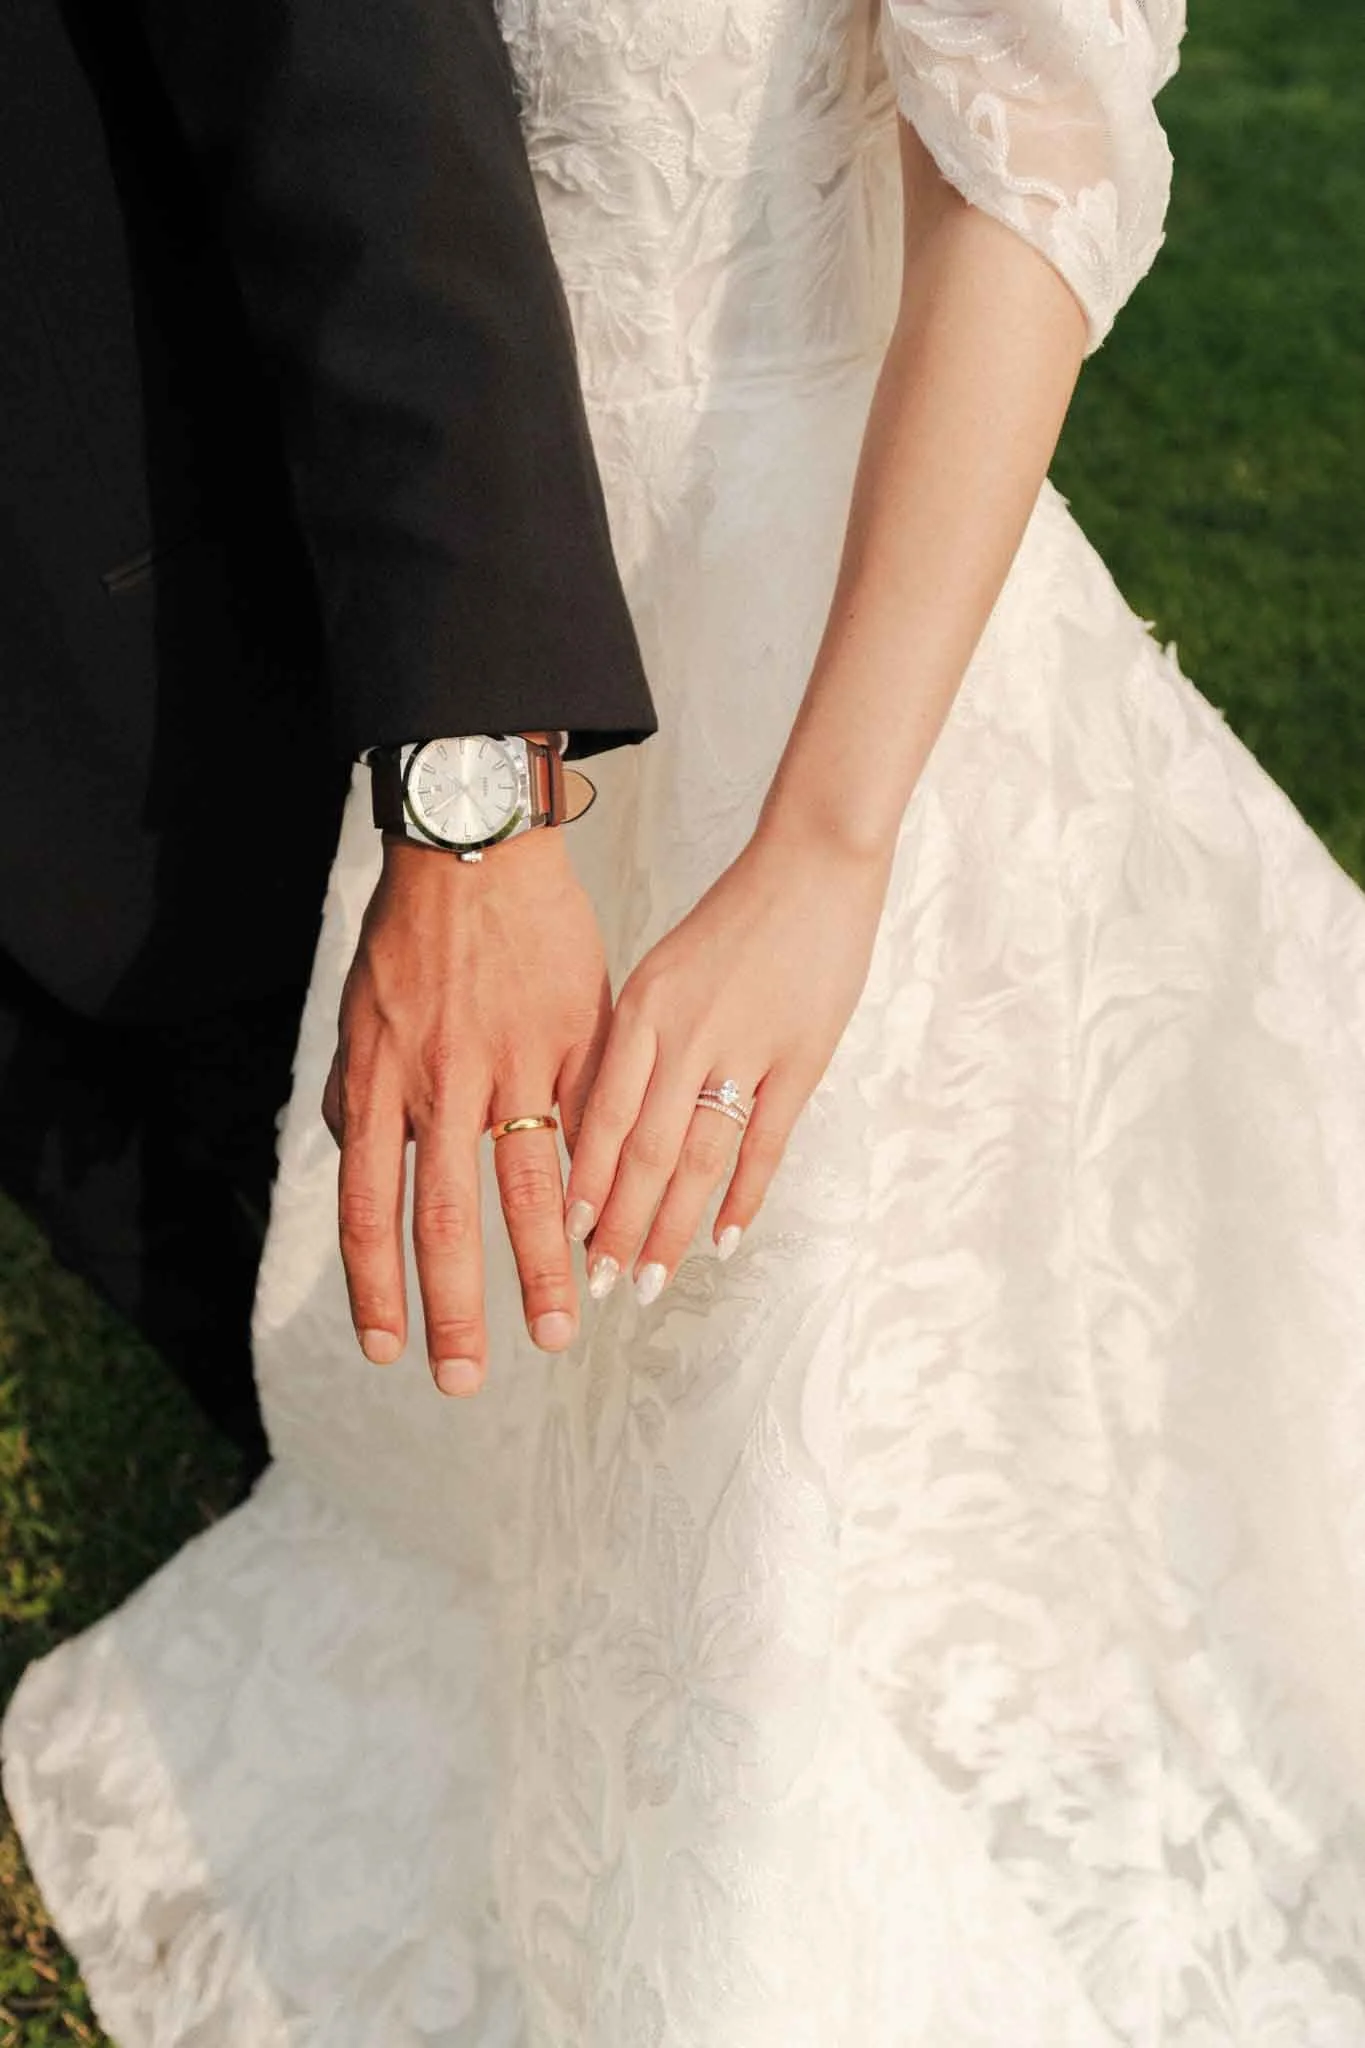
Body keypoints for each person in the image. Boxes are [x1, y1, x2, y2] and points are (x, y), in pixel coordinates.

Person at [7, 0, 1365, 2040]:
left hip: (818, 637)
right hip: (489, 590)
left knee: (824, 1414)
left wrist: (823, 846)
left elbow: (1034, 167)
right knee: (535, 1417)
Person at [0, 0, 654, 1474]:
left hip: (181, 680)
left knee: (509, 1364)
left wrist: (467, 821)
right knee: (285, 1408)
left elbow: (365, 99)